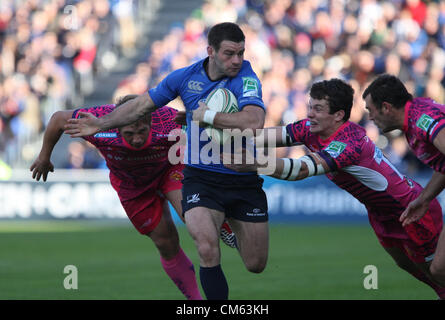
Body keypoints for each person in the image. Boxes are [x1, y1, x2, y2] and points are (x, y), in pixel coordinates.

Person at [63, 22, 269, 300]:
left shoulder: (246, 78)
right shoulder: (184, 77)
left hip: (241, 177)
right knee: (206, 248)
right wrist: (101, 123)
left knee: (255, 264)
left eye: (241, 53)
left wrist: (206, 116)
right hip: (199, 176)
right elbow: (139, 106)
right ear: (210, 51)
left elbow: (254, 122)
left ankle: (229, 222)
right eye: (229, 53)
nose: (237, 60)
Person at [225, 78, 445, 298]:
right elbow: (258, 137)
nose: (310, 114)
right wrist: (215, 133)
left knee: (436, 273)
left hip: (410, 209)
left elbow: (300, 170)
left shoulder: (351, 142)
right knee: (407, 265)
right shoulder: (309, 128)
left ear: (338, 115)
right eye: (310, 107)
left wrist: (255, 163)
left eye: (318, 109)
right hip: (380, 214)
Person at [30, 94, 230, 300]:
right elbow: (58, 119)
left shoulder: (167, 119)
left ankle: (223, 221)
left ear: (151, 122)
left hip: (169, 169)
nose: (136, 139)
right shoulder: (98, 120)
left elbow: (205, 131)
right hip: (132, 186)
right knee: (166, 243)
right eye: (129, 133)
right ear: (116, 125)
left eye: (142, 131)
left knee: (194, 216)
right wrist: (44, 157)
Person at [363, 73, 445, 287]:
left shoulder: (423, 120)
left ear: (386, 107)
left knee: (439, 269)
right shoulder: (414, 121)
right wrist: (425, 199)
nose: (370, 118)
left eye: (371, 111)